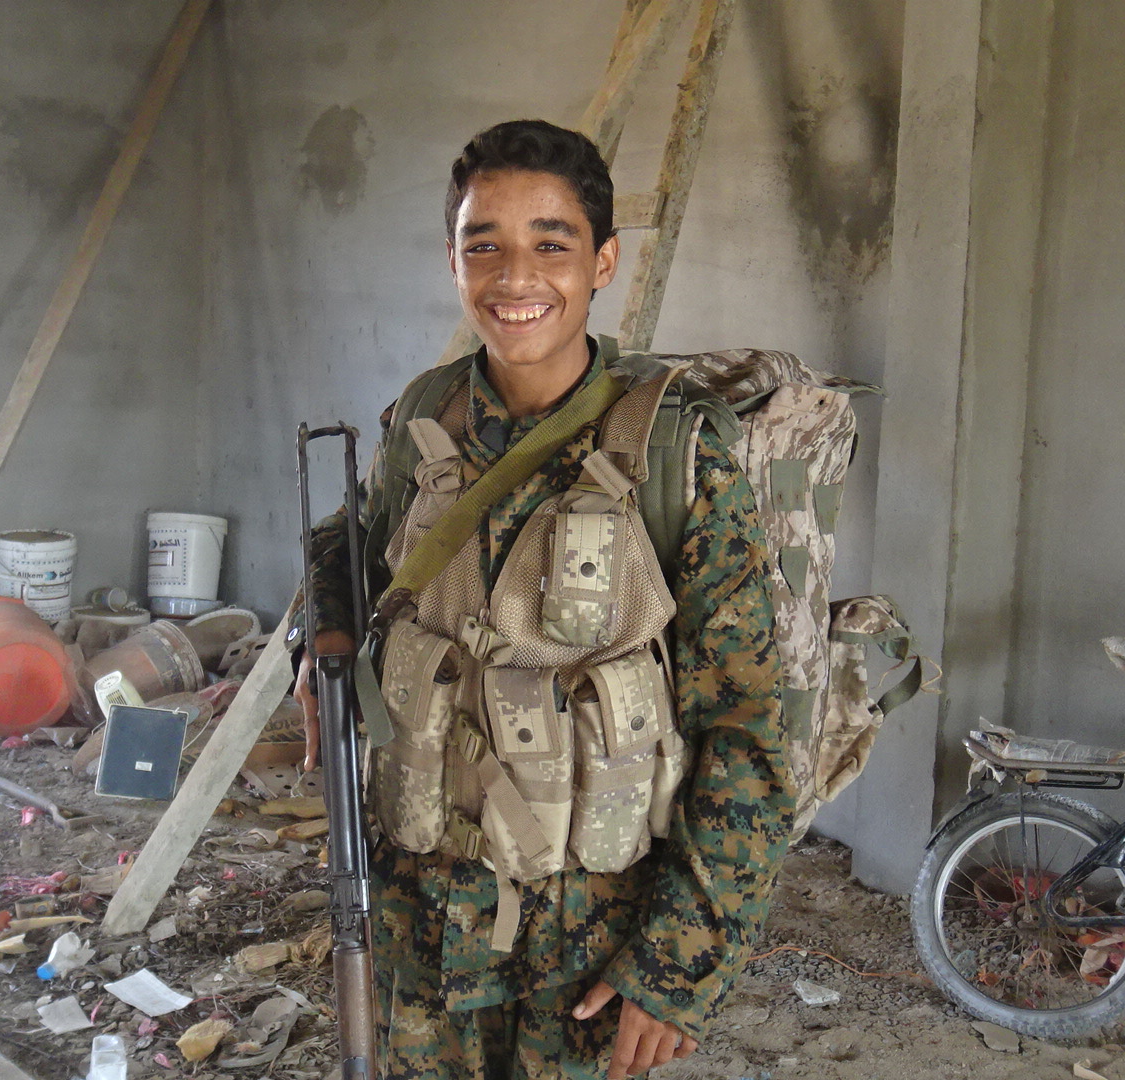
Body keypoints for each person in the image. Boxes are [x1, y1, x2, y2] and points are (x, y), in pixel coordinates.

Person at [297, 118, 791, 1080]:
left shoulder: (675, 454)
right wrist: (324, 640)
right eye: (483, 245)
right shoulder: (423, 418)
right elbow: (345, 545)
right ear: (452, 260)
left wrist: (676, 966)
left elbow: (748, 724)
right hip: (419, 923)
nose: (515, 276)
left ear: (603, 262)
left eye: (551, 245)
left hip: (589, 945)